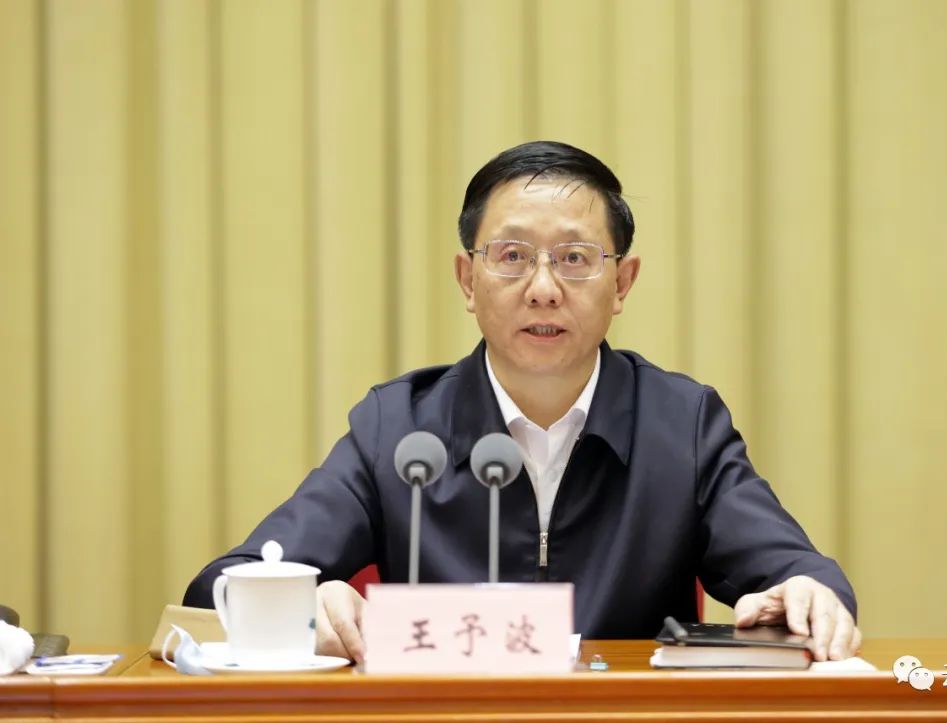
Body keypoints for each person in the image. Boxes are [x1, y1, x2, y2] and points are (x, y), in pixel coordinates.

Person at [184, 140, 860, 662]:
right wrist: (303, 605)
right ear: (467, 279)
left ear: (622, 283)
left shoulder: (680, 426)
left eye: (574, 258)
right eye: (511, 256)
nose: (542, 288)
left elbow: (800, 575)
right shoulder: (400, 427)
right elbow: (221, 589)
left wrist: (809, 594)